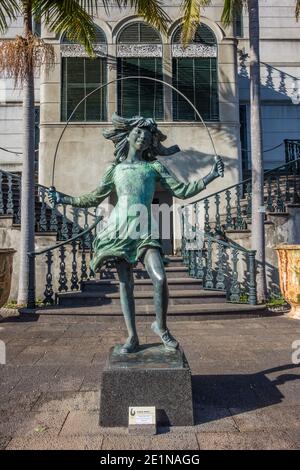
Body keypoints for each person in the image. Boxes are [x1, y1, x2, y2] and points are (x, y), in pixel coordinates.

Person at [48, 113, 224, 354]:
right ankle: (132, 337)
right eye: (138, 132)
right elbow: (93, 197)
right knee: (125, 283)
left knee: (160, 278)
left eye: (148, 135)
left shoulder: (154, 166)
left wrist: (211, 175)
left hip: (145, 227)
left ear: (152, 142)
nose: (142, 136)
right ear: (129, 134)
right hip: (119, 229)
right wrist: (63, 198)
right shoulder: (115, 169)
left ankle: (161, 327)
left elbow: (182, 191)